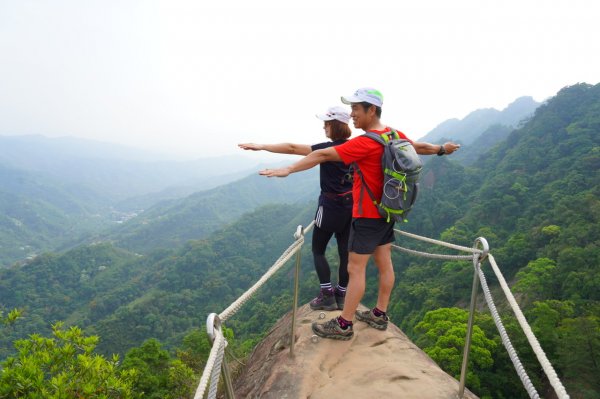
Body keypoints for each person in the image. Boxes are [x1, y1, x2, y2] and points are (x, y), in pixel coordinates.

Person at [259, 88, 460, 340]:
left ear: (371, 110)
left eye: (356, 109)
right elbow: (417, 147)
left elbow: (322, 154)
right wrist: (441, 149)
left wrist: (287, 170)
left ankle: (344, 324)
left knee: (356, 269)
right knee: (385, 263)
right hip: (389, 209)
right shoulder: (393, 134)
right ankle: (379, 314)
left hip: (367, 214)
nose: (352, 115)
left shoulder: (365, 142)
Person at [239, 106, 353, 311]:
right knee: (345, 253)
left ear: (334, 125)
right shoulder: (356, 147)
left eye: (326, 123)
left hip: (330, 206)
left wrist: (262, 146)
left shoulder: (327, 149)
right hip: (351, 206)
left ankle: (327, 294)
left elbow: (292, 148)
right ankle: (342, 295)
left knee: (318, 249)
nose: (324, 127)